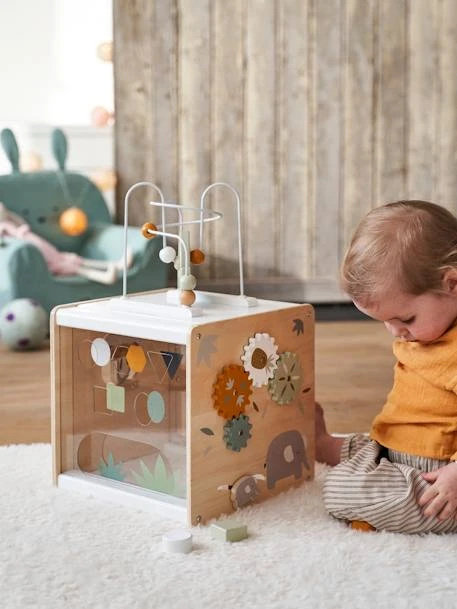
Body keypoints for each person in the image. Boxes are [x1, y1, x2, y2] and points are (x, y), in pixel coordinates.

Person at [317, 200, 457, 534]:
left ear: (451, 283)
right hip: (399, 443)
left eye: (406, 318)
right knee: (370, 448)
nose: (396, 332)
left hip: (438, 473)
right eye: (385, 321)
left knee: (339, 490)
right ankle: (327, 446)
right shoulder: (426, 330)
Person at [0, 203, 132, 285]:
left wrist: (10, 216)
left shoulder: (11, 223)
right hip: (42, 258)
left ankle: (116, 265)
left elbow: (21, 222)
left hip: (49, 252)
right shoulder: (4, 230)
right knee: (74, 267)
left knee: (75, 260)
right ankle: (104, 277)